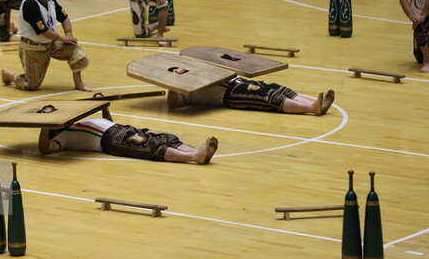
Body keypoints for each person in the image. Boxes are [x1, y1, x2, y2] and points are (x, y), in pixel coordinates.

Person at [1, 0, 92, 91]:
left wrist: (69, 34)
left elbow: (64, 18)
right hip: (33, 47)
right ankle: (9, 75)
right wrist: (62, 38)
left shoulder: (51, 1)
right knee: (31, 85)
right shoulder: (30, 5)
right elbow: (43, 31)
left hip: (51, 44)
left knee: (75, 50)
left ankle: (78, 83)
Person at [38, 107, 218, 165]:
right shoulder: (62, 137)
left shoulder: (77, 123)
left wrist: (103, 106)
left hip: (120, 128)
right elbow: (46, 149)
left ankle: (199, 151)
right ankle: (194, 157)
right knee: (152, 146)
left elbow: (107, 121)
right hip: (110, 140)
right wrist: (44, 126)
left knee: (166, 137)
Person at [166, 72, 335, 115]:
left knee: (279, 88)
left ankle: (312, 104)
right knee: (269, 98)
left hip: (239, 81)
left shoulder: (197, 71)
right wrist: (172, 83)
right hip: (230, 94)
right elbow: (174, 103)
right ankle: (312, 109)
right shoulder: (185, 90)